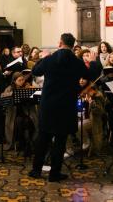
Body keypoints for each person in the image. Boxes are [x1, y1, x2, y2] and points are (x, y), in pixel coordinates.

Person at [28, 33, 90, 182]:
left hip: (48, 105)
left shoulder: (49, 59)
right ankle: (54, 173)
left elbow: (35, 71)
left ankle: (36, 170)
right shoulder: (76, 62)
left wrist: (43, 58)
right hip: (66, 106)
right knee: (60, 141)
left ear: (60, 43)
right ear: (73, 45)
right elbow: (89, 75)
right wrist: (92, 62)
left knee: (43, 138)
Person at [1, 72, 37, 155]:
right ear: (14, 81)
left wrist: (31, 92)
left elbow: (34, 99)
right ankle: (22, 143)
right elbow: (3, 96)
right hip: (14, 115)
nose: (22, 82)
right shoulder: (10, 88)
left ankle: (29, 143)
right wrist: (12, 94)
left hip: (27, 113)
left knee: (30, 122)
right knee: (20, 122)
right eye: (19, 80)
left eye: (23, 80)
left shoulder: (27, 86)